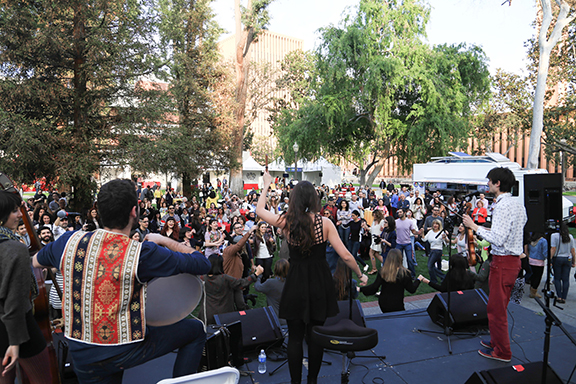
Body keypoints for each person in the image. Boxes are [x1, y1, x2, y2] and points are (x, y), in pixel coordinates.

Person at [33, 179, 211, 383]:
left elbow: (35, 262)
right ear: (134, 212)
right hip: (123, 348)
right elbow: (202, 263)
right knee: (195, 331)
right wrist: (163, 240)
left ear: (98, 211)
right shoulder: (142, 253)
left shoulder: (68, 242)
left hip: (80, 350)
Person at [256, 171, 368, 384]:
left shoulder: (286, 222)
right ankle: (312, 381)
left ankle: (295, 382)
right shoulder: (324, 223)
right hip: (319, 281)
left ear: (295, 198)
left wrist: (266, 185)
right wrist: (360, 274)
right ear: (314, 199)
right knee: (315, 335)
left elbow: (260, 210)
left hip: (296, 281)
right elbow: (345, 255)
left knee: (295, 338)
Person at [462, 167, 527, 363]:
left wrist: (474, 227)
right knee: (498, 306)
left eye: (490, 180)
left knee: (496, 309)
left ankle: (503, 352)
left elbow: (498, 238)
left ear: (498, 183)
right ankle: (496, 341)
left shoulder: (502, 206)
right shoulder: (517, 204)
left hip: (503, 262)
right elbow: (518, 225)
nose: (487, 183)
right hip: (512, 261)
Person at [0, 191, 53, 383]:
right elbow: (15, 300)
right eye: (15, 211)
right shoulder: (15, 248)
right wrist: (15, 342)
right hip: (20, 330)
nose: (20, 215)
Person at [200, 255, 264, 324]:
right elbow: (241, 283)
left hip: (207, 314)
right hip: (224, 315)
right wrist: (256, 274)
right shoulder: (225, 279)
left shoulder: (202, 279)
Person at [360, 249, 420, 313]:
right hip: (397, 303)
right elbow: (412, 289)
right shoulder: (404, 273)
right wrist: (418, 280)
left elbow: (374, 287)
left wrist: (360, 289)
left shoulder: (383, 271)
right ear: (400, 258)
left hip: (384, 303)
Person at [255, 259, 290, 326]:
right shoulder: (293, 283)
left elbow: (257, 287)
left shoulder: (271, 283)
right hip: (290, 320)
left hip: (275, 320)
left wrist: (259, 275)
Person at [550, 222, 576, 304]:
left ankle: (559, 296)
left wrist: (550, 259)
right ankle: (564, 297)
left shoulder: (554, 236)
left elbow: (553, 248)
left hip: (558, 258)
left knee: (557, 278)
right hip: (567, 258)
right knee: (566, 279)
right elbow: (573, 251)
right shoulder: (570, 237)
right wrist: (574, 261)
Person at [395, 208, 421, 278]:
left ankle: (412, 275)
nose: (399, 213)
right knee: (399, 260)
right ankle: (399, 274)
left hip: (407, 243)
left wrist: (418, 233)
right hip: (399, 243)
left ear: (404, 213)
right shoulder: (396, 222)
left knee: (410, 260)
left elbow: (413, 231)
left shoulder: (409, 222)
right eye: (398, 212)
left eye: (400, 212)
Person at [423, 219, 447, 284]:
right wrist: (422, 233)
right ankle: (442, 277)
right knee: (432, 266)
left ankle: (436, 279)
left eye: (437, 224)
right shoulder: (430, 232)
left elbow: (446, 243)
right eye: (434, 224)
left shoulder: (441, 233)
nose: (435, 225)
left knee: (430, 266)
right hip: (432, 250)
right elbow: (424, 239)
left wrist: (445, 238)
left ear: (439, 225)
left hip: (438, 250)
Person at [526, 232, 547, 299]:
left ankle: (532, 291)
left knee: (533, 276)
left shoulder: (530, 240)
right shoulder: (543, 241)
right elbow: (545, 252)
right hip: (539, 261)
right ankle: (534, 292)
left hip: (531, 260)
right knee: (537, 277)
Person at [368, 210, 385, 274]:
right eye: (373, 215)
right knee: (376, 254)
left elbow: (385, 229)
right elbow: (372, 230)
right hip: (373, 239)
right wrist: (366, 227)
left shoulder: (382, 221)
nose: (374, 216)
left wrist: (383, 230)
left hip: (378, 240)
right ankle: (387, 264)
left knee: (371, 253)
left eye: (375, 215)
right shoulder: (374, 221)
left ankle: (374, 268)